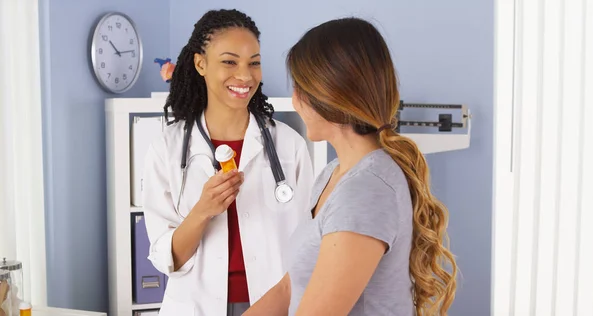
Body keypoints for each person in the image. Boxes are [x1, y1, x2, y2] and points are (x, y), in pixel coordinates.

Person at [243, 17, 458, 316]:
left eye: (300, 90)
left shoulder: (365, 190)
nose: (295, 101)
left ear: (330, 94)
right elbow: (289, 288)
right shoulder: (333, 174)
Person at [142, 9, 314, 316]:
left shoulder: (289, 146)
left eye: (254, 63)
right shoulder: (166, 148)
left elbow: (308, 247)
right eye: (229, 62)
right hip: (197, 306)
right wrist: (203, 210)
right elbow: (168, 258)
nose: (245, 76)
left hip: (272, 305)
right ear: (201, 64)